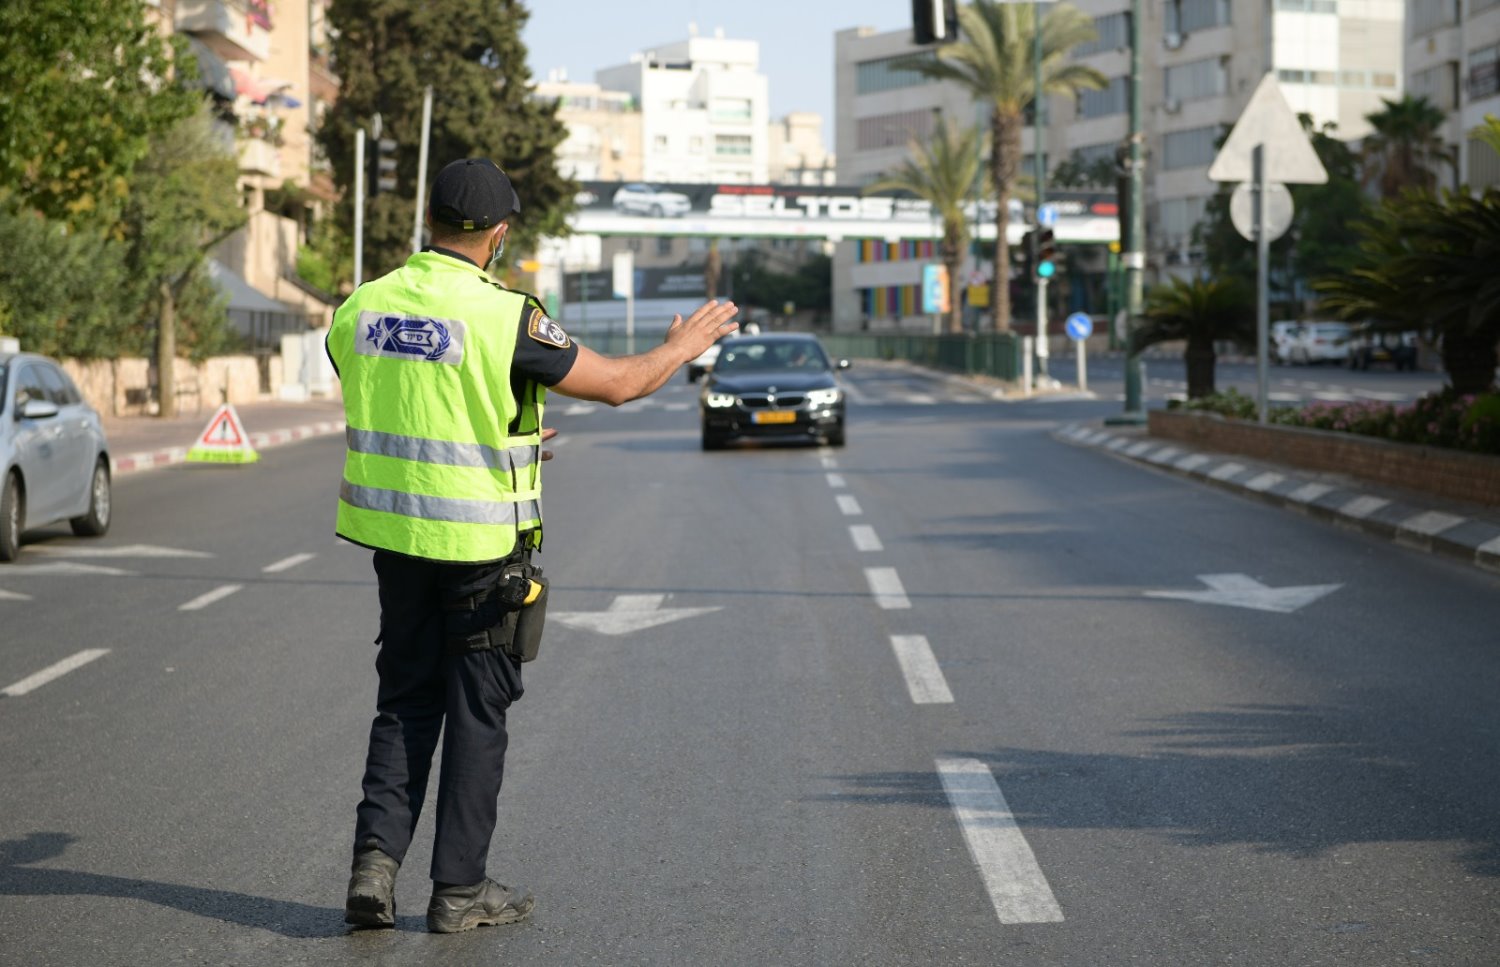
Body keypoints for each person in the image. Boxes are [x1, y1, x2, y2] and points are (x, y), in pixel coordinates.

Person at [329, 158, 738, 934]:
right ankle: (457, 892)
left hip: (396, 543)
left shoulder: (360, 306)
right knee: (478, 713)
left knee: (404, 702)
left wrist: (504, 439)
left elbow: (406, 397)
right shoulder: (506, 314)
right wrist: (681, 348)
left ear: (429, 223)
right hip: (482, 547)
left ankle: (374, 872)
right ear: (499, 232)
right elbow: (618, 382)